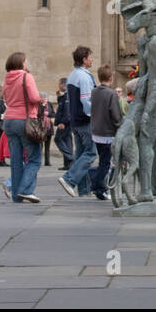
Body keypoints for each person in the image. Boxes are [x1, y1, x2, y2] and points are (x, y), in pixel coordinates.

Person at [1, 52, 44, 203]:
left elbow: (6, 99)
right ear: (21, 63)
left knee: (16, 161)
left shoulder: (7, 79)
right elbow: (34, 97)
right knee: (35, 159)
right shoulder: (26, 77)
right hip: (24, 121)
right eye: (26, 61)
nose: (27, 63)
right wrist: (41, 99)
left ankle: (16, 196)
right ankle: (26, 190)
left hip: (9, 120)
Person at [58, 46, 97, 198]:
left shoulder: (72, 75)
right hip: (85, 120)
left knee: (80, 154)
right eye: (90, 57)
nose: (92, 59)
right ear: (84, 59)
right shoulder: (84, 77)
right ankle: (69, 179)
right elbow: (87, 100)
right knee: (91, 153)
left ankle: (84, 189)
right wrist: (94, 115)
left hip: (75, 120)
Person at [89, 65, 122, 200]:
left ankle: (98, 187)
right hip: (108, 133)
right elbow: (116, 115)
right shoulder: (111, 94)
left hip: (96, 131)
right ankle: (98, 187)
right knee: (106, 163)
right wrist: (120, 126)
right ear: (111, 78)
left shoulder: (94, 92)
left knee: (103, 161)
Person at [52, 78, 74, 170]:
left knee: (58, 139)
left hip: (65, 123)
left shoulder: (68, 96)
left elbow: (67, 111)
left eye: (59, 84)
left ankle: (71, 158)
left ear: (63, 85)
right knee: (67, 141)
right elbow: (62, 106)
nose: (58, 86)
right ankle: (68, 164)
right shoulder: (66, 96)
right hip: (67, 123)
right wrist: (59, 98)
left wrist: (62, 122)